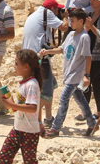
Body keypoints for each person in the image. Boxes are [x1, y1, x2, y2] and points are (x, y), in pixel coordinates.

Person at [41, 8, 96, 138]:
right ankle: (92, 123)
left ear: (81, 21)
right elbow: (62, 49)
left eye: (73, 20)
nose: (70, 23)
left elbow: (88, 57)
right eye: (70, 20)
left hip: (75, 76)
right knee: (80, 100)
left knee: (63, 99)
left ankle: (55, 128)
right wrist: (48, 51)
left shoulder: (84, 37)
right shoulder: (71, 35)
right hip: (68, 74)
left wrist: (86, 75)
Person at [21, 0, 69, 130]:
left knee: (51, 84)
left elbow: (47, 36)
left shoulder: (36, 15)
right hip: (39, 58)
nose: (59, 12)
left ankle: (48, 118)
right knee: (45, 91)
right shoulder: (47, 14)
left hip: (30, 56)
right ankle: (28, 115)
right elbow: (64, 28)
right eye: (58, 10)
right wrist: (65, 17)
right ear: (52, 9)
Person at [0, 49, 42, 164]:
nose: (14, 65)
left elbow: (32, 108)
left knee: (29, 161)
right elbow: (18, 108)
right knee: (4, 158)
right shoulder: (24, 84)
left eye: (16, 63)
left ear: (26, 66)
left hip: (29, 132)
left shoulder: (31, 85)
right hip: (17, 129)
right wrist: (10, 103)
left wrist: (11, 104)